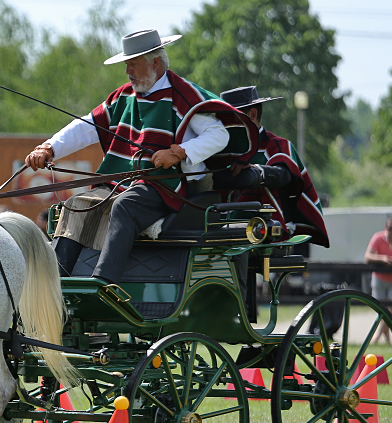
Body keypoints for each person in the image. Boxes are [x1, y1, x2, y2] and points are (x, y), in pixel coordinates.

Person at [24, 29, 257, 283]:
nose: (127, 71)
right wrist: (48, 148)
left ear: (154, 61)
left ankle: (104, 285)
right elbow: (86, 126)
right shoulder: (123, 96)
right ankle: (56, 285)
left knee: (125, 206)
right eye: (127, 65)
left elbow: (218, 135)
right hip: (120, 183)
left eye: (132, 64)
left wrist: (178, 152)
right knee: (75, 205)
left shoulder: (183, 96)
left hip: (164, 185)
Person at [215, 85, 329, 248]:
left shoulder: (277, 145)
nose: (224, 124)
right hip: (221, 232)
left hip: (267, 233)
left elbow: (283, 175)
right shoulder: (218, 150)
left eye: (230, 118)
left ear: (252, 115)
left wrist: (257, 171)